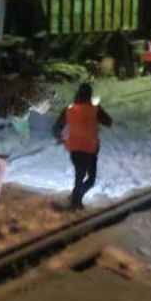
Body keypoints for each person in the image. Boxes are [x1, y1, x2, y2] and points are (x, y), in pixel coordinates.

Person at [54, 82, 113, 210]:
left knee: (79, 175)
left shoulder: (69, 110)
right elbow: (109, 122)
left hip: (74, 147)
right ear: (90, 95)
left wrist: (59, 137)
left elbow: (56, 128)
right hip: (90, 148)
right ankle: (76, 200)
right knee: (90, 178)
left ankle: (75, 199)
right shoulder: (95, 110)